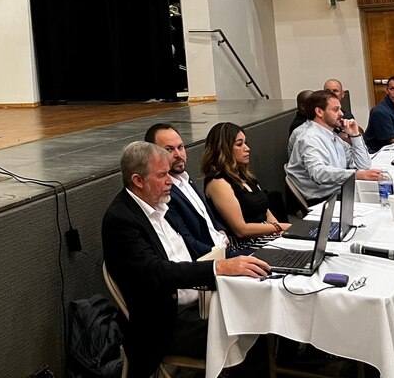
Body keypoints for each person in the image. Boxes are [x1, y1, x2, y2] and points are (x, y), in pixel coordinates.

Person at [101, 142, 270, 378]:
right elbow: (157, 272)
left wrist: (228, 260)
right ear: (138, 181)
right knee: (252, 325)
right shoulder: (121, 220)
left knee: (261, 305)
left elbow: (186, 251)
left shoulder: (161, 205)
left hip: (198, 301)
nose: (170, 181)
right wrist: (218, 268)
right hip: (164, 324)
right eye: (162, 175)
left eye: (169, 173)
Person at [144, 122, 230, 256]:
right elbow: (187, 243)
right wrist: (221, 253)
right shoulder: (164, 193)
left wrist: (220, 230)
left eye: (180, 147)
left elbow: (205, 215)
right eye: (169, 149)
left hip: (225, 247)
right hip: (211, 260)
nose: (178, 154)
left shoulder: (185, 178)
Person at [202, 122, 290, 242]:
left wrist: (280, 232)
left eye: (245, 143)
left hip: (267, 236)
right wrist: (281, 227)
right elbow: (241, 230)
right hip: (244, 244)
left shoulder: (246, 177)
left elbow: (267, 212)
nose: (247, 148)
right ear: (224, 149)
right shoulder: (218, 182)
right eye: (239, 144)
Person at [287, 90, 381, 202]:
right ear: (319, 112)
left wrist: (355, 136)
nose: (341, 113)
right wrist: (357, 175)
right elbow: (319, 173)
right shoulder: (309, 138)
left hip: (340, 190)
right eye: (336, 110)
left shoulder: (331, 134)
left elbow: (364, 165)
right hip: (325, 199)